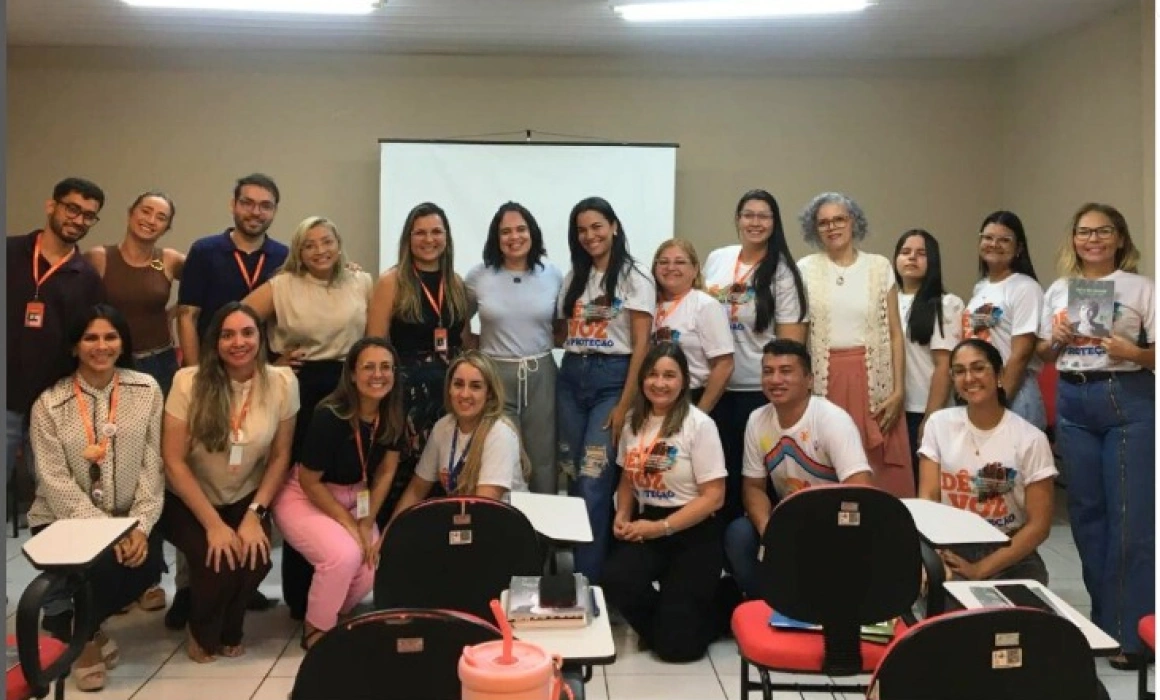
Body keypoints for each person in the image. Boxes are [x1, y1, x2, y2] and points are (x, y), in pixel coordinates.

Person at [1036, 203, 1154, 670]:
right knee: (1087, 518)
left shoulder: (1141, 287)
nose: (1093, 239)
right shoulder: (1059, 289)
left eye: (1104, 231)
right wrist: (1057, 337)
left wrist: (1134, 352)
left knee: (1130, 519)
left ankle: (1133, 634)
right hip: (1073, 399)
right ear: (1074, 239)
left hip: (1127, 398)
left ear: (1120, 238)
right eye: (1084, 232)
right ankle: (1105, 623)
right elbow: (1044, 353)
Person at [170, 173, 288, 625]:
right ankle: (188, 587)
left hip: (255, 380)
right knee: (200, 473)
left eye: (265, 205)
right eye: (248, 203)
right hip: (210, 377)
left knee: (244, 473)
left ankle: (242, 579)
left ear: (274, 211)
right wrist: (196, 374)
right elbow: (188, 315)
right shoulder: (205, 251)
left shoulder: (283, 257)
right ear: (233, 205)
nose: (255, 212)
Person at [27, 305, 165, 691]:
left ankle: (77, 622)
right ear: (74, 346)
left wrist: (139, 526)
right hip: (62, 517)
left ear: (123, 343)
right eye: (90, 338)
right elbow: (54, 481)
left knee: (146, 564)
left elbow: (153, 465)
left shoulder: (147, 390)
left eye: (110, 337)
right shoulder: (50, 403)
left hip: (129, 517)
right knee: (99, 565)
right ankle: (85, 639)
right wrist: (107, 532)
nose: (101, 346)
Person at [242, 215, 374, 620]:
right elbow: (237, 319)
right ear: (298, 251)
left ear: (339, 243)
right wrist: (269, 360)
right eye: (309, 244)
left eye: (327, 241)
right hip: (303, 387)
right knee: (304, 485)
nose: (320, 250)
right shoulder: (282, 286)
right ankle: (301, 594)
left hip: (351, 386)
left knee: (347, 477)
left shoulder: (361, 281)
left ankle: (347, 578)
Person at [161, 302, 298, 663]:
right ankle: (203, 631)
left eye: (247, 333)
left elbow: (280, 456)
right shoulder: (188, 382)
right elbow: (173, 461)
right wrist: (213, 524)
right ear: (215, 342)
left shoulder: (283, 382)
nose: (239, 342)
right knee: (216, 561)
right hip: (187, 496)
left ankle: (231, 626)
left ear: (261, 338)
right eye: (228, 335)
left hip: (244, 494)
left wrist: (255, 514)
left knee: (254, 558)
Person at [272, 338, 404, 650]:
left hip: (355, 494)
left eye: (385, 367)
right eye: (369, 367)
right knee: (343, 556)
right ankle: (316, 630)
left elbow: (386, 471)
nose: (378, 375)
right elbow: (309, 481)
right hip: (304, 495)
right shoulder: (330, 415)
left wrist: (367, 521)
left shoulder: (392, 413)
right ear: (353, 374)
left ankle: (336, 615)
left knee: (371, 562)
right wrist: (350, 524)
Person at [602, 343, 726, 662]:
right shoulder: (633, 422)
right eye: (653, 375)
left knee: (679, 652)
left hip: (694, 529)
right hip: (650, 522)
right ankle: (668, 624)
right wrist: (623, 513)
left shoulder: (700, 425)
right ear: (642, 379)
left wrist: (661, 528)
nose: (660, 383)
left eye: (670, 375)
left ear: (684, 381)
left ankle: (723, 602)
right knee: (616, 578)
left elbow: (714, 497)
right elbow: (628, 477)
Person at [723, 339, 872, 600]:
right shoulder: (757, 419)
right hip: (788, 522)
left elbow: (862, 493)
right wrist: (768, 529)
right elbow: (753, 487)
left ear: (809, 380)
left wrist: (833, 535)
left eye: (786, 371)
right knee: (739, 534)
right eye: (768, 371)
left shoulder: (832, 420)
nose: (775, 380)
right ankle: (768, 605)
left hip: (835, 525)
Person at [555, 196, 655, 584]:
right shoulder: (574, 277)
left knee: (594, 481)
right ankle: (578, 572)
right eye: (581, 230)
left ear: (614, 227)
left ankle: (589, 585)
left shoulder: (634, 276)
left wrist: (626, 403)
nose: (590, 235)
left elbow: (642, 345)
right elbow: (562, 332)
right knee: (573, 478)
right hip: (571, 377)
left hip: (612, 380)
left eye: (597, 226)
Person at [797, 192, 912, 498]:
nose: (832, 227)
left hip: (875, 382)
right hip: (825, 381)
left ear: (853, 222)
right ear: (814, 229)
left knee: (880, 473)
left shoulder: (879, 267)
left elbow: (895, 334)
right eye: (823, 222)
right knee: (831, 464)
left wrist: (898, 391)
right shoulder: (806, 268)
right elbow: (800, 333)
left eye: (839, 219)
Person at [703, 190, 807, 522]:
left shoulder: (784, 273)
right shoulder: (718, 259)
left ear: (774, 223)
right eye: (748, 215)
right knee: (716, 477)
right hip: (714, 387)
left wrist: (781, 389)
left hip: (756, 392)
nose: (755, 222)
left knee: (753, 480)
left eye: (764, 216)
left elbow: (791, 345)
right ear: (737, 219)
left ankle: (757, 544)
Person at [918, 339, 1056, 584]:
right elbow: (928, 498)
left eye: (978, 368)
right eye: (959, 371)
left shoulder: (1030, 439)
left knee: (1015, 606)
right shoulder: (938, 425)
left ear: (999, 374)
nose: (969, 378)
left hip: (1008, 550)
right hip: (950, 544)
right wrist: (934, 554)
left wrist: (980, 570)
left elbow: (1039, 526)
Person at [366, 202, 470, 520]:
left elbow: (463, 341)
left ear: (447, 237)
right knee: (405, 475)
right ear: (408, 239)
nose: (429, 239)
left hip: (449, 397)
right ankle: (392, 540)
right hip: (406, 400)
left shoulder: (456, 283)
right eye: (420, 233)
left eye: (436, 232)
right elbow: (373, 346)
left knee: (445, 471)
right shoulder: (392, 282)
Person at [8, 177, 106, 485]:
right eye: (72, 209)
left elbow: (85, 342)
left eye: (88, 215)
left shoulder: (88, 278)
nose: (78, 220)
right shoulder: (9, 251)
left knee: (52, 493)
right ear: (51, 206)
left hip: (51, 404)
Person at [465, 202, 564, 494]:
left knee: (543, 457)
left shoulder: (552, 274)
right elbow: (459, 321)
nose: (514, 237)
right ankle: (502, 519)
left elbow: (561, 327)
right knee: (500, 455)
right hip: (494, 376)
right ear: (496, 238)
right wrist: (476, 350)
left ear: (532, 233)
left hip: (540, 374)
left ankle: (543, 522)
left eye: (521, 229)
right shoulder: (478, 276)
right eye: (505, 231)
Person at [391, 350, 529, 516]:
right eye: (458, 384)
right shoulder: (443, 427)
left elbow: (484, 509)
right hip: (464, 521)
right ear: (449, 388)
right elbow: (416, 490)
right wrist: (392, 529)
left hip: (500, 523)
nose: (464, 394)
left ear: (489, 393)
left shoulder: (499, 434)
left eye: (475, 386)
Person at [85, 191, 185, 397]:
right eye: (146, 211)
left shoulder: (169, 260)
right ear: (131, 213)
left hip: (160, 362)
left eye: (161, 217)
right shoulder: (99, 258)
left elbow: (207, 283)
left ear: (167, 227)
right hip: (111, 361)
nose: (151, 220)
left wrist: (177, 311)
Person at [961, 210, 1046, 430]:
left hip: (1014, 392)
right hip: (983, 390)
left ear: (1019, 248)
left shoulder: (1025, 287)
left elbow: (1021, 354)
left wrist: (999, 401)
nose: (994, 244)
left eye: (1004, 240)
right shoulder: (980, 288)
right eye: (988, 237)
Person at [892, 229, 963, 487]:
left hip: (924, 410)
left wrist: (930, 418)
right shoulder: (887, 301)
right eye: (905, 252)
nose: (912, 258)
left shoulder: (946, 304)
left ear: (933, 261)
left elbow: (944, 366)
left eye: (921, 253)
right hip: (892, 411)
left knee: (925, 486)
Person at [649, 239, 734, 412]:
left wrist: (700, 413)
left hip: (691, 398)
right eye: (663, 262)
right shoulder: (647, 305)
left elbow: (724, 365)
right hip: (653, 396)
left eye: (680, 262)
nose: (670, 267)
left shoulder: (705, 305)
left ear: (695, 269)